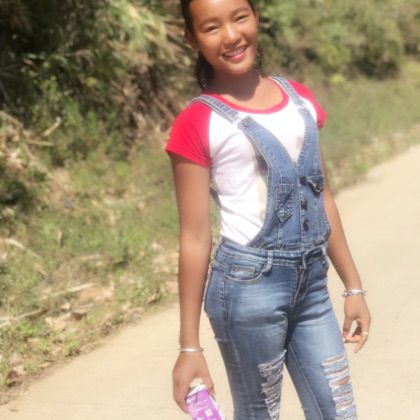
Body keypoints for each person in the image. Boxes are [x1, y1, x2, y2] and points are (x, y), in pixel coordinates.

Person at [165, 0, 372, 418]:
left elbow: (322, 197)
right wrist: (189, 347)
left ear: (256, 18)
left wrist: (353, 287)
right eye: (211, 27)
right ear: (192, 38)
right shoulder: (197, 121)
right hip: (247, 290)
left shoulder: (299, 100)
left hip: (312, 286)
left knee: (338, 411)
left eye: (240, 17)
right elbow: (195, 237)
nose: (231, 36)